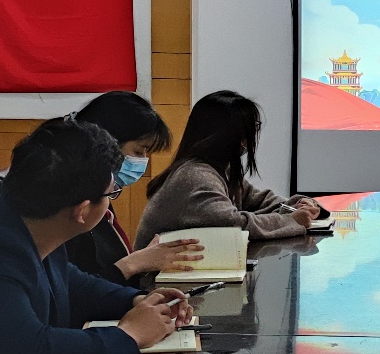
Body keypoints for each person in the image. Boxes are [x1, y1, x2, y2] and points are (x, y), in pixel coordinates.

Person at [0, 118, 192, 354]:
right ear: (82, 211)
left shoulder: (29, 219)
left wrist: (136, 300)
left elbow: (70, 283)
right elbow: (29, 353)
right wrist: (128, 335)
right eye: (111, 193)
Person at [134, 90, 326, 249]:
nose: (252, 137)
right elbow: (232, 224)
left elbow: (258, 200)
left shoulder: (217, 169)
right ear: (229, 135)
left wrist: (299, 204)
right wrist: (291, 221)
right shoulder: (195, 176)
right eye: (251, 129)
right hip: (153, 280)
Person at [68, 91, 204, 286]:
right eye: (138, 151)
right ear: (107, 142)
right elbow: (76, 292)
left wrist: (144, 264)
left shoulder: (101, 192)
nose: (143, 162)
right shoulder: (73, 203)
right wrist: (135, 264)